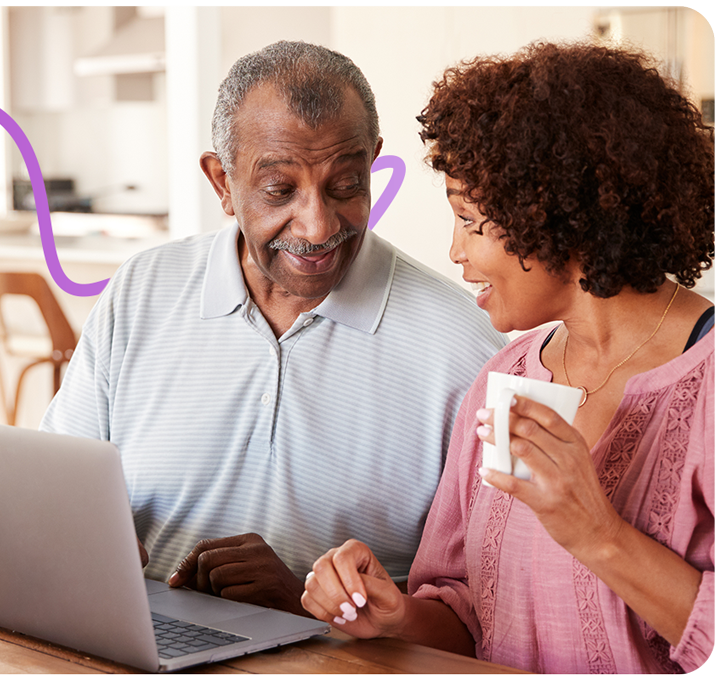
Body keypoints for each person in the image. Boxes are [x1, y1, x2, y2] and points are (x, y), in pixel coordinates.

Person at [41, 41, 505, 617]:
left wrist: (311, 605)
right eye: (279, 190)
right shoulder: (142, 291)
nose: (316, 227)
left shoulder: (466, 349)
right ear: (222, 182)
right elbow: (57, 488)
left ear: (373, 164)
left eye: (345, 185)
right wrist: (89, 540)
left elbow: (485, 609)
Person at [301, 41, 714, 673]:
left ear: (555, 216)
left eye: (470, 221)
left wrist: (598, 534)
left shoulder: (711, 382)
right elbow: (471, 614)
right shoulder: (506, 377)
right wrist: (398, 616)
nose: (455, 251)